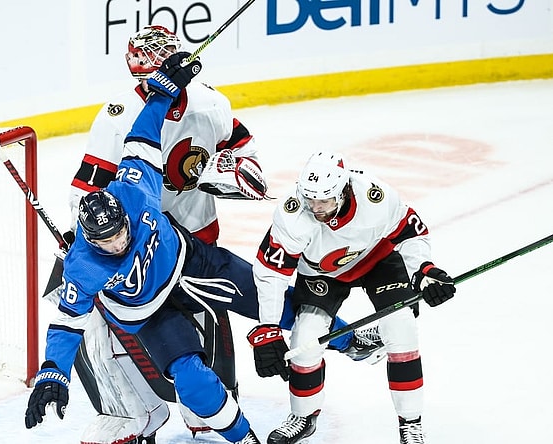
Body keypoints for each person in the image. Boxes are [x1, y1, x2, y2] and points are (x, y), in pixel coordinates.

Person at [61, 25, 385, 443]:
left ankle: (346, 337)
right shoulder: (120, 116)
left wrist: (226, 173)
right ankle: (134, 414)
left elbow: (247, 160)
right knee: (111, 320)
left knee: (260, 304)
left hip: (193, 242)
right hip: (137, 245)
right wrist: (82, 233)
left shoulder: (211, 103)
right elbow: (89, 188)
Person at [26, 50, 263, 444]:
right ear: (89, 240)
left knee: (272, 300)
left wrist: (160, 95)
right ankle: (238, 435)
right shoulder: (83, 266)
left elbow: (144, 137)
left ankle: (347, 337)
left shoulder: (134, 189)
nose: (118, 242)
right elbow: (67, 324)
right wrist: (52, 371)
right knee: (192, 378)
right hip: (150, 309)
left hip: (190, 257)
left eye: (119, 231)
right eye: (105, 240)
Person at [249, 151, 456, 444]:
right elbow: (271, 272)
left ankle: (411, 422)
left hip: (377, 260)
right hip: (321, 272)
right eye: (311, 200)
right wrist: (267, 328)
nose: (317, 209)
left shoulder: (375, 196)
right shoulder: (293, 213)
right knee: (304, 341)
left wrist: (424, 270)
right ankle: (303, 416)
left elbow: (411, 233)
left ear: (344, 190)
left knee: (401, 328)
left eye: (325, 201)